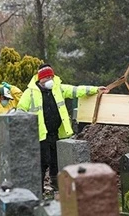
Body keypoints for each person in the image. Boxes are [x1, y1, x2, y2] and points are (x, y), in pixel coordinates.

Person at [17, 64, 108, 193]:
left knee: (55, 160)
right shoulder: (30, 93)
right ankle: (38, 189)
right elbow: (20, 110)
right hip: (40, 135)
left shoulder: (58, 88)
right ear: (40, 79)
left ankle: (55, 186)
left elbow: (76, 91)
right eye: (47, 77)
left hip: (56, 133)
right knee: (42, 162)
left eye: (51, 76)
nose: (50, 79)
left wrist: (95, 89)